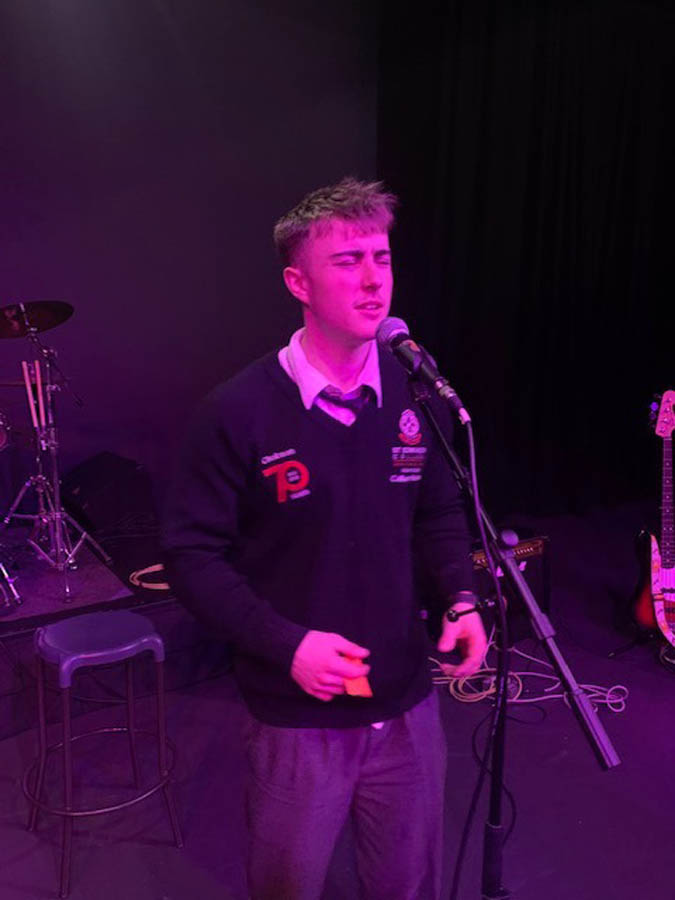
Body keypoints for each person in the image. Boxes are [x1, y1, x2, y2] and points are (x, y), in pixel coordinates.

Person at [162, 177, 487, 900]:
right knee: (288, 887)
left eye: (381, 258)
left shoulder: (416, 392)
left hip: (406, 700)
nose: (373, 280)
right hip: (296, 714)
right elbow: (190, 557)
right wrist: (287, 645)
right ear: (298, 283)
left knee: (407, 885)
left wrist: (461, 598)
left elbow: (437, 511)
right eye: (347, 261)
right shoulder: (237, 412)